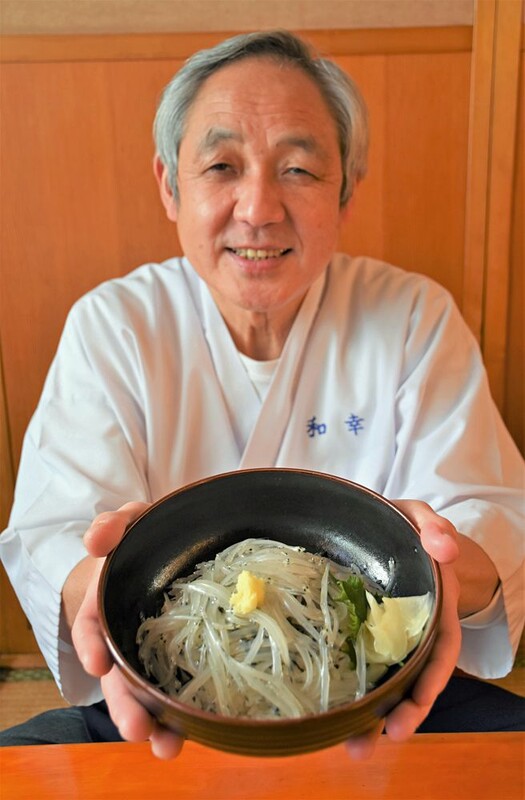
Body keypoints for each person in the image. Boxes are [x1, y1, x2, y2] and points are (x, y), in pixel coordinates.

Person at [1, 30, 523, 758]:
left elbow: (488, 518)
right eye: (221, 165)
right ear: (169, 186)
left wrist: (439, 560)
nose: (258, 208)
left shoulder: (410, 315)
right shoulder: (115, 323)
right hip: (163, 687)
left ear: (345, 191)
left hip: (376, 685)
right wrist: (95, 585)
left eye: (300, 169)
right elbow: (58, 534)